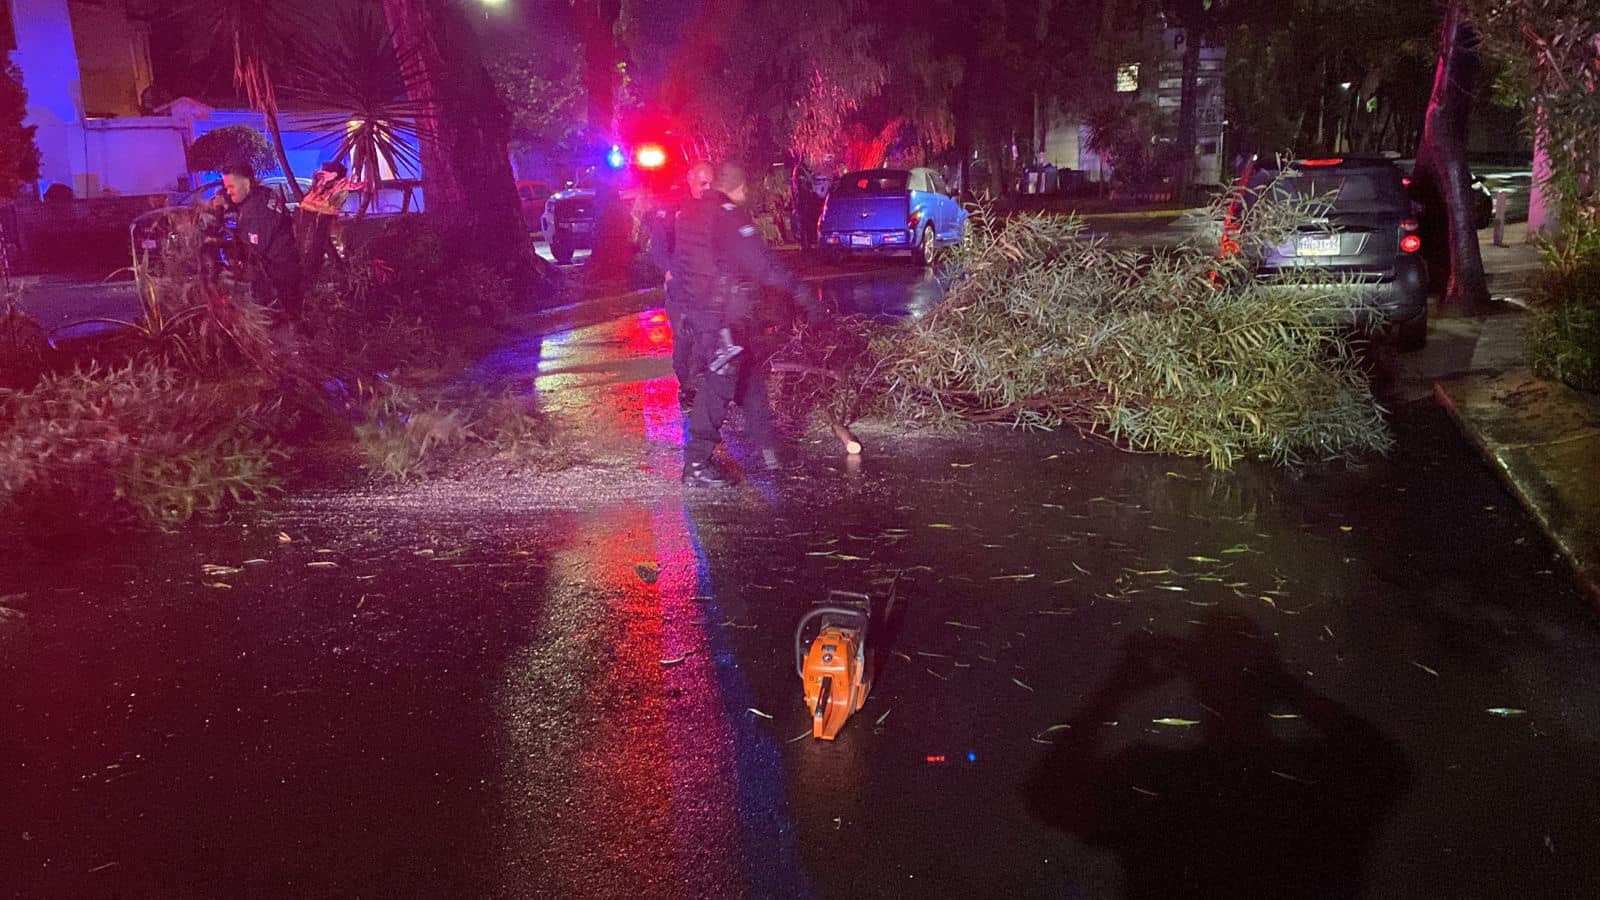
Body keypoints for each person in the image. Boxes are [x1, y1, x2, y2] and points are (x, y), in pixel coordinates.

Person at [673, 162, 826, 486]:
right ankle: (697, 463)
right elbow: (763, 266)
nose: (747, 194)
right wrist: (800, 290)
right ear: (738, 187)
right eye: (745, 189)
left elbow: (682, 265)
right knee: (719, 385)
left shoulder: (693, 212)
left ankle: (770, 450)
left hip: (709, 314)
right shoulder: (727, 215)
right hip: (719, 318)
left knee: (749, 377)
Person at [648, 160, 714, 408]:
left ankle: (704, 384)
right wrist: (667, 271)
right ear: (690, 179)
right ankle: (688, 386)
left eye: (711, 183)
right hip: (681, 287)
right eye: (702, 182)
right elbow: (658, 244)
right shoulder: (673, 207)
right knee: (685, 338)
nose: (707, 188)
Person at [220, 163, 302, 322]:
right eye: (226, 187)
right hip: (285, 268)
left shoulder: (255, 210)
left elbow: (253, 250)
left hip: (276, 277)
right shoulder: (264, 193)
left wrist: (232, 257)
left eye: (231, 187)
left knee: (273, 324)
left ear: (246, 183)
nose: (228, 192)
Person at [297, 160, 352, 284]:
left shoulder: (338, 195)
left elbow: (329, 211)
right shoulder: (318, 193)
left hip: (315, 243)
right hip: (307, 243)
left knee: (310, 270)